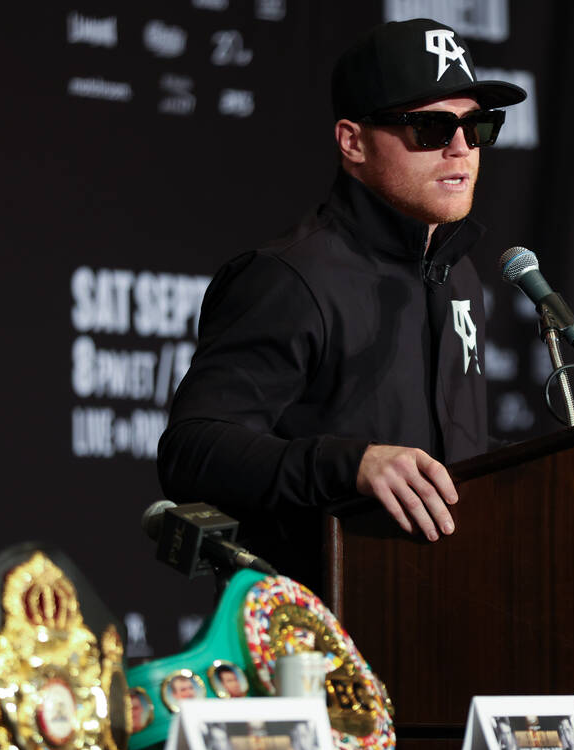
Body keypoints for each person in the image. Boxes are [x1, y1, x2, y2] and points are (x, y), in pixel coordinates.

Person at [157, 18, 526, 590]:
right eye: (430, 127)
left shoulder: (460, 276)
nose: (461, 147)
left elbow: (447, 461)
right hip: (318, 638)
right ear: (353, 142)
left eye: (478, 126)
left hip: (448, 619)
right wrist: (351, 465)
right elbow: (192, 450)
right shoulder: (289, 277)